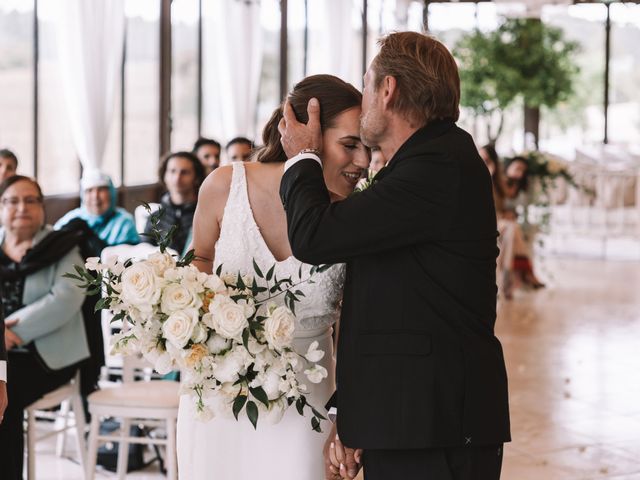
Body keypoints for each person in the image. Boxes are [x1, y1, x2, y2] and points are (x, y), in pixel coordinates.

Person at [278, 32, 510, 480]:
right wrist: (353, 413)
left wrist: (303, 157)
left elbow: (315, 236)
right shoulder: (424, 162)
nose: (363, 99)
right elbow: (386, 308)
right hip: (412, 420)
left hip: (434, 427)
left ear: (387, 89)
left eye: (366, 86)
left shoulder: (436, 166)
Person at [178, 74, 369, 480]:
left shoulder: (355, 217)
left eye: (367, 147)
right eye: (350, 145)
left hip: (308, 403)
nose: (363, 162)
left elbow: (355, 333)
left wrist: (347, 418)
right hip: (218, 397)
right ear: (303, 133)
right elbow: (199, 263)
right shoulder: (224, 185)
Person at [0, 175, 90, 480]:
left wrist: (12, 334)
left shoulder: (61, 245)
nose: (21, 207)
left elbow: (66, 298)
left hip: (46, 356)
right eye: (12, 201)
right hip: (2, 355)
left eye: (30, 200)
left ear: (42, 207)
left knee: (4, 395)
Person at [54, 170, 139, 254]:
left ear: (111, 193)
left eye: (101, 190)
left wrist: (90, 235)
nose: (95, 196)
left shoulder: (124, 222)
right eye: (89, 190)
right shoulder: (71, 219)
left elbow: (125, 262)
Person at [143, 151, 205, 255]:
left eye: (184, 172)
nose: (177, 178)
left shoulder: (205, 215)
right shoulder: (155, 218)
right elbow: (144, 252)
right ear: (164, 176)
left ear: (196, 177)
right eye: (172, 171)